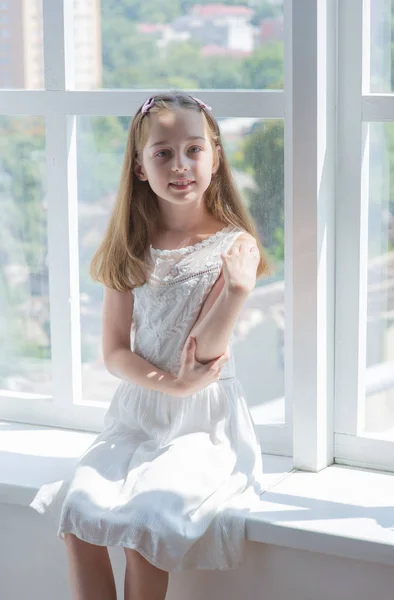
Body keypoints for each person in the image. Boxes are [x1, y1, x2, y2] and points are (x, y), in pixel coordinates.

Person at [30, 90, 272, 600]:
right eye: (162, 153)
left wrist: (237, 290)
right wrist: (168, 384)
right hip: (138, 413)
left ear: (215, 155)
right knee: (78, 520)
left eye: (193, 149)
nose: (180, 164)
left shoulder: (233, 247)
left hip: (203, 426)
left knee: (143, 531)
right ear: (141, 167)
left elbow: (204, 356)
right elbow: (116, 351)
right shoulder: (130, 246)